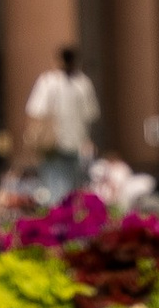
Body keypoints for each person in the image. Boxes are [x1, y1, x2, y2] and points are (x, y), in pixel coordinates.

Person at [23, 46, 101, 205]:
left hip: (51, 141)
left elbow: (35, 110)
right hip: (75, 141)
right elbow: (91, 114)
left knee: (51, 181)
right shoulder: (83, 83)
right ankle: (67, 213)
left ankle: (55, 212)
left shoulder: (48, 81)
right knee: (72, 183)